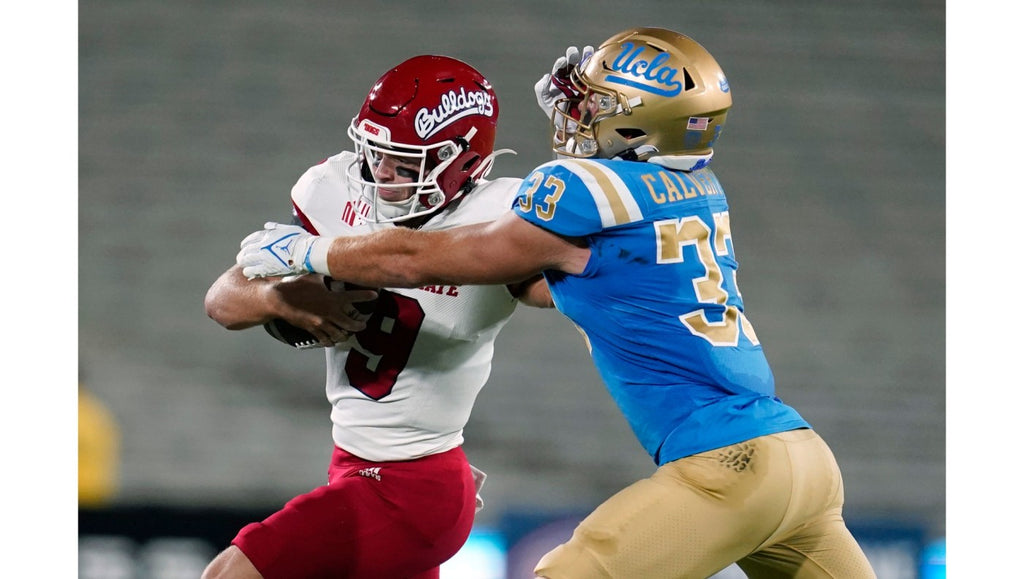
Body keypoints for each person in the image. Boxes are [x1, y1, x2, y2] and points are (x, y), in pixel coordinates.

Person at [236, 27, 878, 578]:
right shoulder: (697, 187)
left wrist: (307, 252)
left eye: (595, 100)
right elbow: (584, 238)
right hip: (800, 459)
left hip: (727, 466)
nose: (573, 107)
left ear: (633, 119)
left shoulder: (579, 187)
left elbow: (415, 256)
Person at [202, 55, 549, 579]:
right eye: (378, 154)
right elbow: (223, 300)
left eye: (408, 163)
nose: (383, 175)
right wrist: (281, 299)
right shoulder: (335, 190)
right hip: (361, 464)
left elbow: (562, 288)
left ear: (465, 163)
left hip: (411, 485)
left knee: (231, 573)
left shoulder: (497, 221)